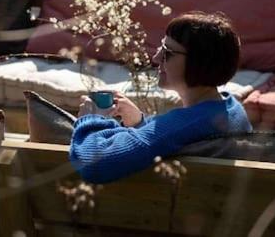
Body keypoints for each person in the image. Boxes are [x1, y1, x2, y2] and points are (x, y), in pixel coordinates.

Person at [69, 12, 252, 184]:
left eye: (167, 52)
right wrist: (140, 123)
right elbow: (173, 138)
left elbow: (93, 164)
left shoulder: (184, 124)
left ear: (200, 61)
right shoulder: (232, 109)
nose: (156, 58)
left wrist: (91, 119)